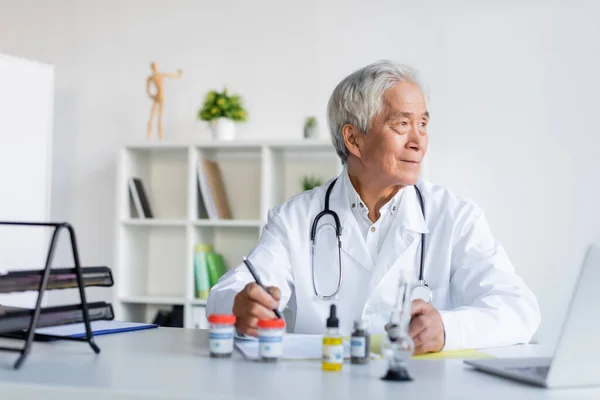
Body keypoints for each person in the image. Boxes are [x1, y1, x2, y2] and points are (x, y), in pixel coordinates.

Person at [206, 60, 541, 354]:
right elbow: (230, 291)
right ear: (354, 140)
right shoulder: (295, 219)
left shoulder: (455, 217)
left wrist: (449, 331)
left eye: (423, 124)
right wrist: (241, 305)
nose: (418, 141)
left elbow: (519, 309)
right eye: (402, 124)